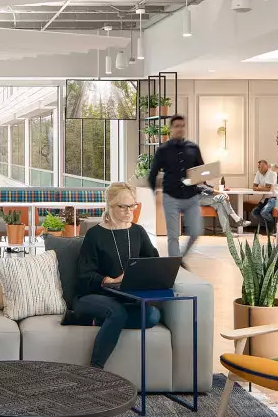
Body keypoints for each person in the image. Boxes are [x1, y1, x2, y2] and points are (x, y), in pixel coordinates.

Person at [66, 181, 162, 369]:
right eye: (122, 207)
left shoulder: (137, 232)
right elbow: (84, 275)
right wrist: (109, 280)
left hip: (125, 295)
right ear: (109, 206)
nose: (129, 211)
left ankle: (97, 320)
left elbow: (152, 260)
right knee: (116, 313)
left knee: (152, 316)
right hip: (93, 295)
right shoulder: (95, 234)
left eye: (132, 206)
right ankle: (95, 369)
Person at [145, 114, 206, 259]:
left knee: (196, 232)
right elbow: (152, 174)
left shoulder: (193, 148)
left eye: (182, 126)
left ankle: (181, 259)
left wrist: (201, 181)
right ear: (171, 129)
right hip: (170, 197)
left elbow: (201, 170)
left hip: (191, 196)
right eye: (177, 126)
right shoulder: (162, 150)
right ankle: (175, 266)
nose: (180, 129)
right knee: (173, 236)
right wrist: (154, 195)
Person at [249, 159, 278, 233]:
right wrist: (262, 187)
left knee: (264, 212)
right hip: (265, 198)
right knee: (254, 212)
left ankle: (272, 225)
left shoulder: (271, 173)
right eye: (258, 167)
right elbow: (254, 187)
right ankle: (267, 226)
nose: (260, 169)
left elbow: (268, 189)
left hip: (274, 198)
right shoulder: (258, 173)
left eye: (261, 167)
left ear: (267, 166)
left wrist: (260, 187)